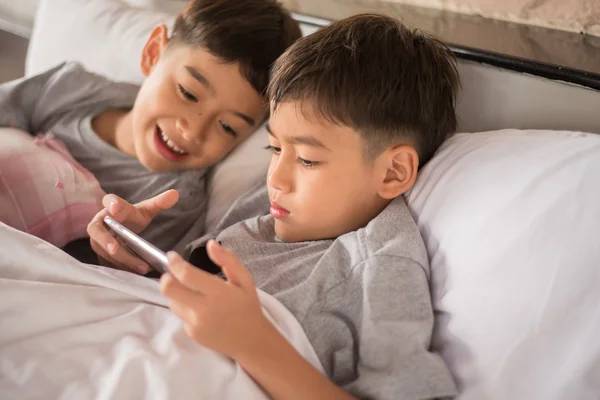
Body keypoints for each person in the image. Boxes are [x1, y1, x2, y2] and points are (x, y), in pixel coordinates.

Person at [87, 14, 460, 399]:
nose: (275, 179)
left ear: (393, 172)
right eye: (276, 149)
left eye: (308, 160)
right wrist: (121, 259)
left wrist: (254, 344)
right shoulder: (268, 208)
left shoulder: (379, 264)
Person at [0, 0, 301, 268]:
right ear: (153, 53)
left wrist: (112, 256)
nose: (192, 130)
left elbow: (117, 287)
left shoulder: (171, 203)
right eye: (187, 93)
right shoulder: (69, 88)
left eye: (227, 127)